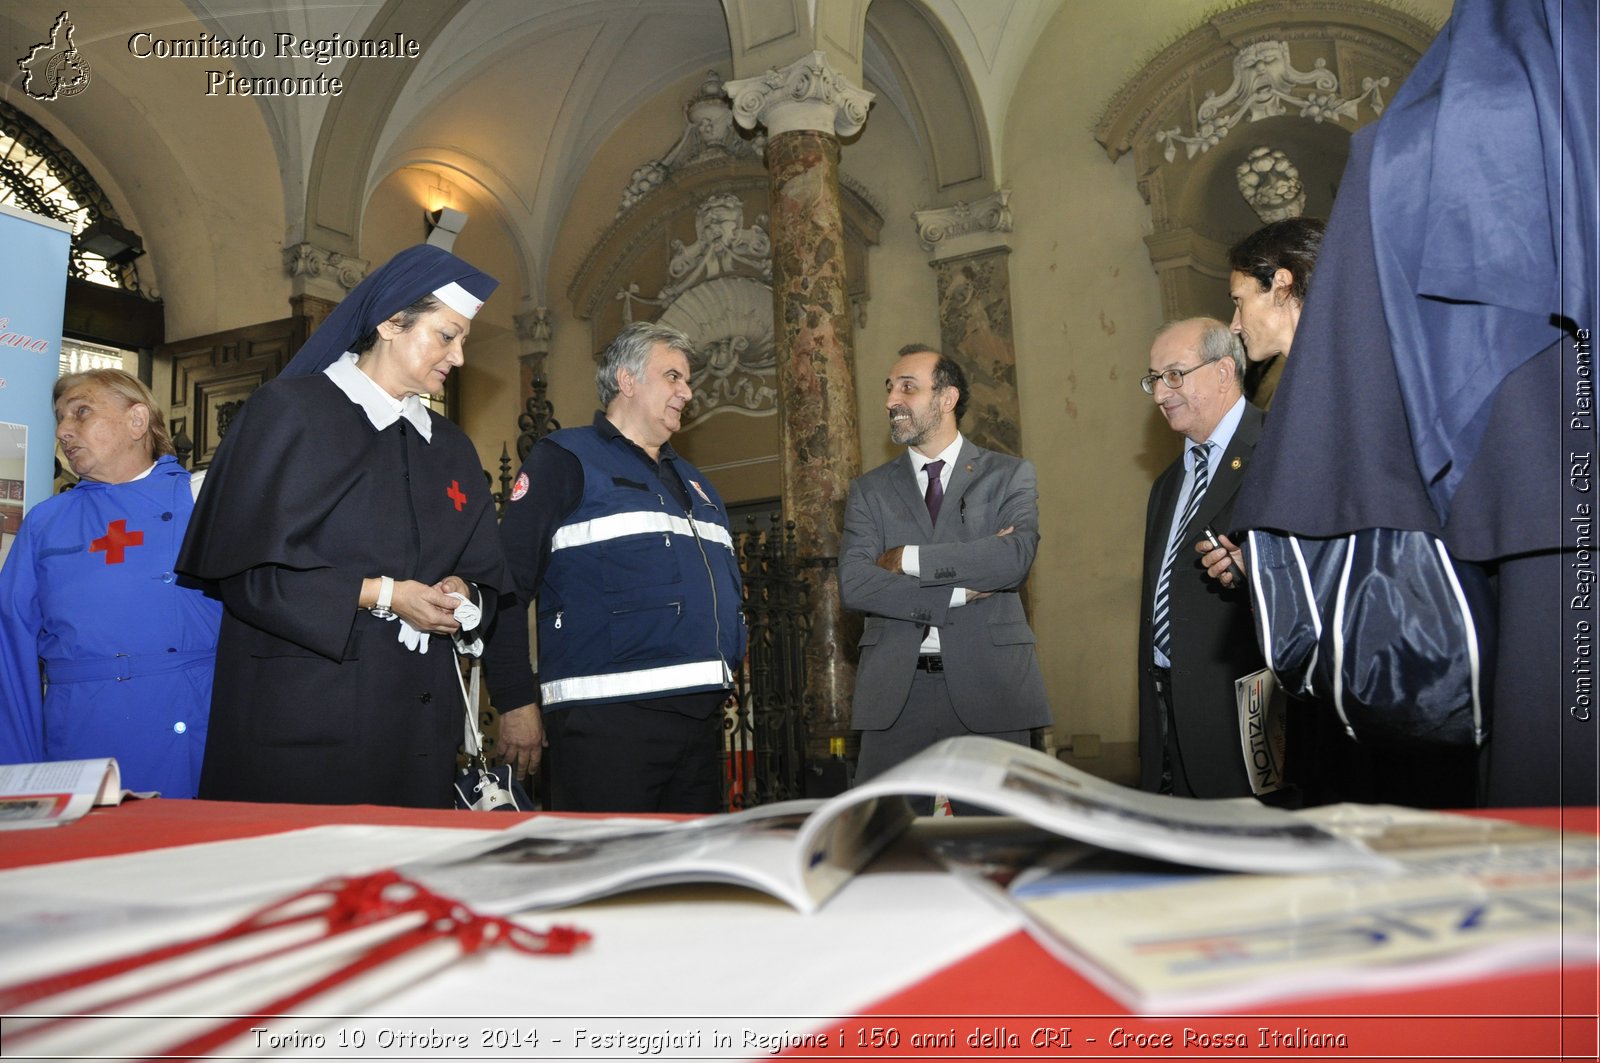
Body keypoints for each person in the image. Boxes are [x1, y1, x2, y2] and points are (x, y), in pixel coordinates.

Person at [175, 244, 510, 808]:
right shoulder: (288, 413)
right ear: (390, 321)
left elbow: (486, 573)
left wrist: (465, 594)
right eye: (445, 335)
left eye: (462, 342)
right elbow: (248, 576)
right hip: (306, 734)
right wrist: (384, 595)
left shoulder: (449, 446)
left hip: (418, 733)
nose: (456, 358)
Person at [485, 321, 744, 813]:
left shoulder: (696, 483)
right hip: (607, 727)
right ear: (627, 381)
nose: (687, 392)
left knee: (687, 883)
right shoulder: (564, 459)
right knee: (607, 881)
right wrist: (516, 701)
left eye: (686, 381)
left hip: (699, 724)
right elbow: (505, 585)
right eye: (673, 377)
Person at [839, 345, 1050, 798]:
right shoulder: (869, 490)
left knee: (998, 850)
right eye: (890, 388)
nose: (892, 400)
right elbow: (855, 583)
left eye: (908, 387)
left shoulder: (1009, 475)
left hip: (992, 687)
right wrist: (954, 593)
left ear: (947, 398)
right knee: (887, 850)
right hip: (896, 693)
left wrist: (905, 559)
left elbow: (1012, 559)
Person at [0, 369, 220, 797]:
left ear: (137, 422)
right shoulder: (44, 523)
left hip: (189, 718)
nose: (64, 430)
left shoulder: (203, 500)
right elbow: (9, 644)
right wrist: (16, 771)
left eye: (81, 412)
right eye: (60, 418)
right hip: (78, 730)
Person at [1135, 319, 1264, 798]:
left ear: (1224, 371)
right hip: (1168, 711)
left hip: (1248, 710)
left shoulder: (1275, 448)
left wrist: (1255, 568)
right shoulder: (1167, 483)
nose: (1159, 394)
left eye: (1174, 375)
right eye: (1154, 379)